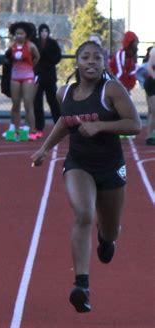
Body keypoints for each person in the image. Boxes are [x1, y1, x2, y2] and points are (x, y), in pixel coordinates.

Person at [31, 40, 141, 312]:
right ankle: (81, 285)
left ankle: (107, 238)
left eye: (97, 58)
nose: (91, 62)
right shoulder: (64, 93)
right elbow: (64, 122)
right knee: (83, 214)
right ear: (77, 62)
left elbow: (135, 124)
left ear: (104, 63)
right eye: (85, 57)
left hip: (111, 167)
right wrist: (44, 148)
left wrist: (100, 126)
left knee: (110, 229)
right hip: (78, 164)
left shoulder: (111, 89)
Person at [5, 21, 39, 141]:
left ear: (26, 35)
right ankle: (15, 129)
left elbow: (37, 57)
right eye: (17, 33)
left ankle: (31, 129)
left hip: (28, 76)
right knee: (15, 104)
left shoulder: (31, 46)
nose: (19, 35)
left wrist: (30, 67)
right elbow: (8, 58)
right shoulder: (12, 45)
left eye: (21, 33)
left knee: (28, 103)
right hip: (15, 76)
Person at [33, 24, 62, 138]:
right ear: (39, 32)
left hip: (50, 76)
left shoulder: (53, 43)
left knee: (54, 102)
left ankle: (59, 125)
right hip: (38, 76)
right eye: (42, 31)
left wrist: (48, 56)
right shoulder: (35, 43)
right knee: (37, 103)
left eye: (46, 31)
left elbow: (57, 57)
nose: (44, 33)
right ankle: (39, 127)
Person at [142, 45, 155, 145]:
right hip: (152, 83)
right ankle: (149, 136)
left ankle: (150, 134)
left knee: (152, 111)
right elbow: (149, 67)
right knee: (153, 110)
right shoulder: (154, 51)